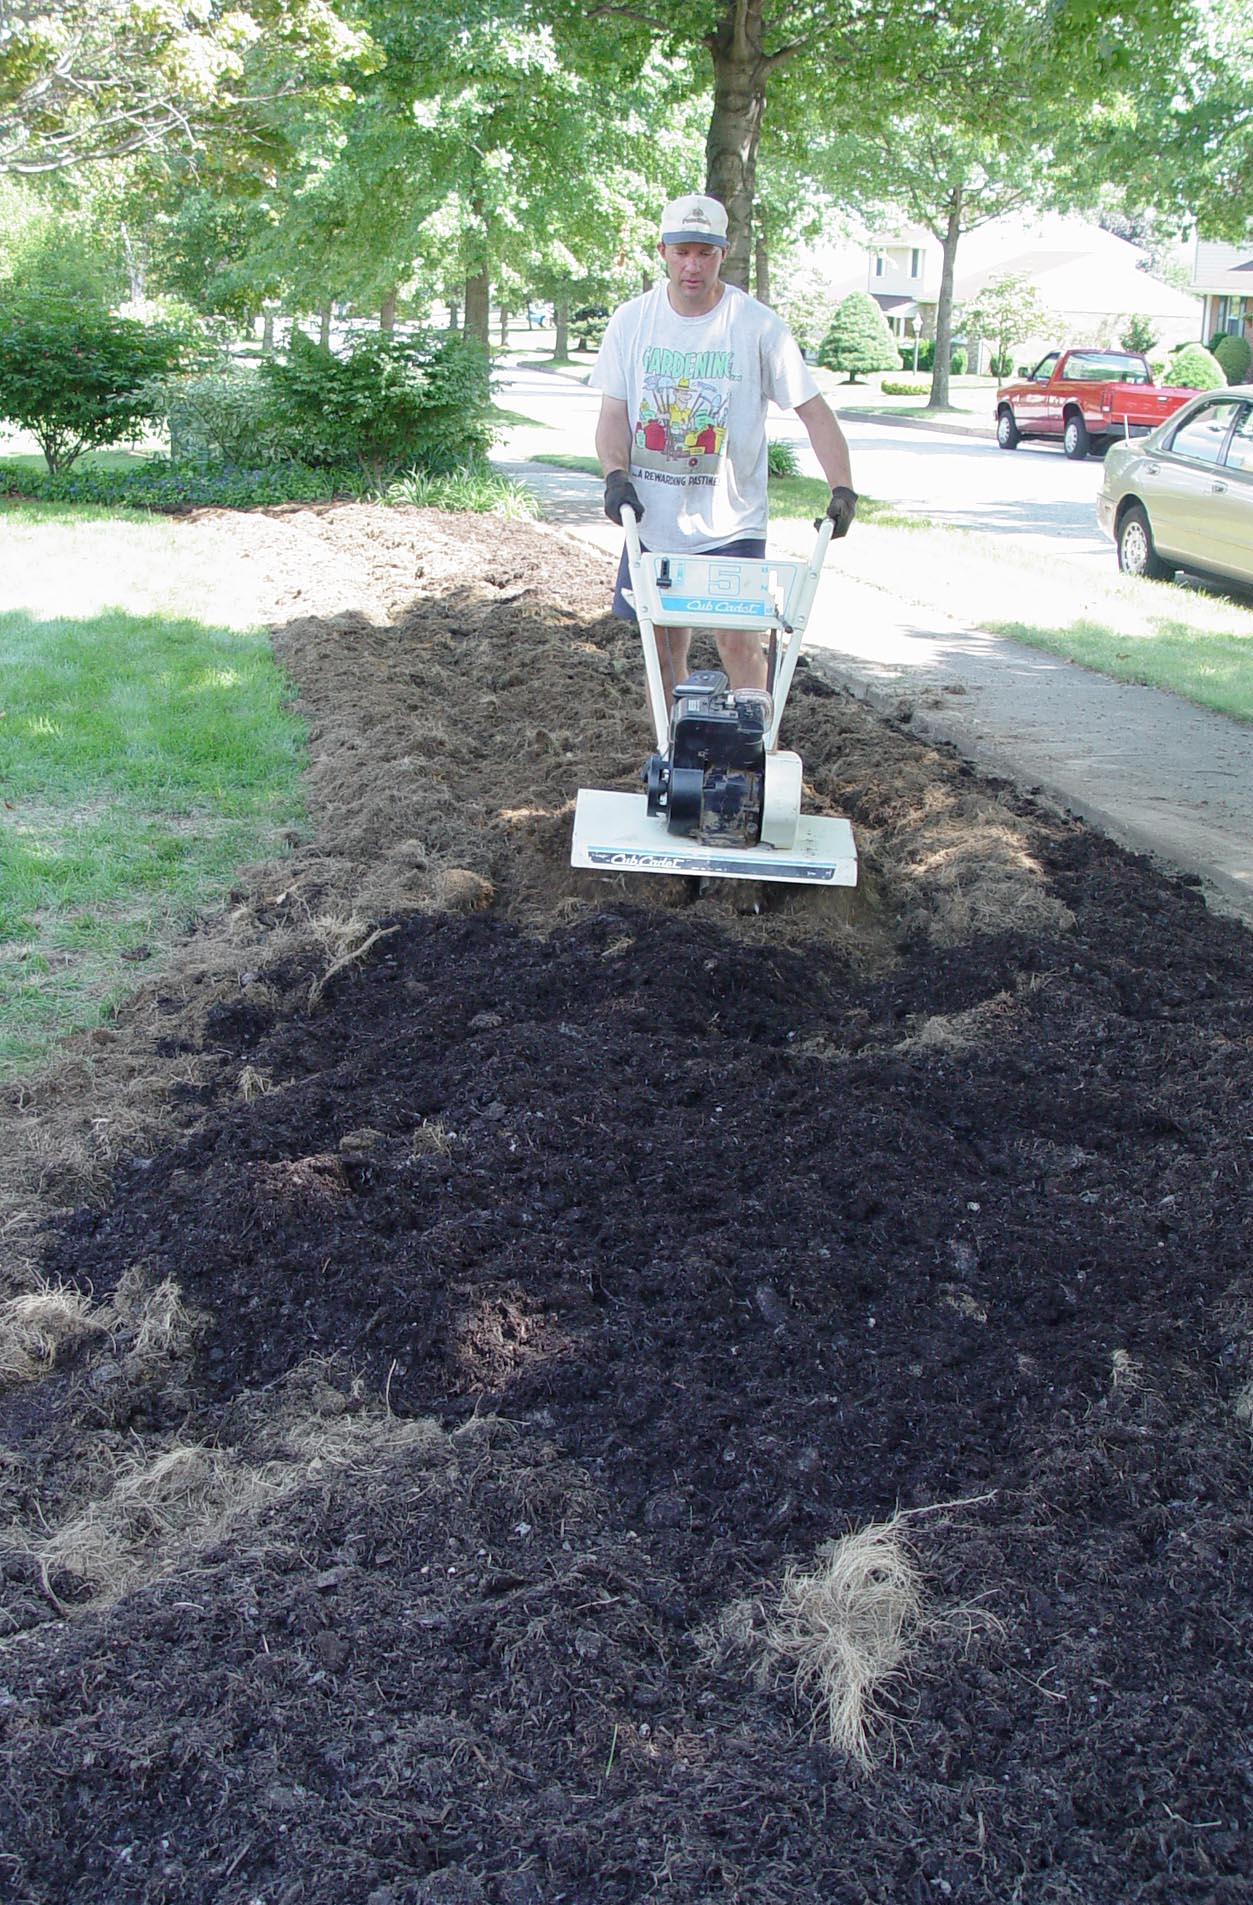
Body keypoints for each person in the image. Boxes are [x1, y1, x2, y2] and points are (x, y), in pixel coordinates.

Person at [590, 192, 857, 713]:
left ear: (724, 253)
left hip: (731, 522)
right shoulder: (631, 322)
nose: (693, 266)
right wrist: (614, 475)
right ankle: (675, 766)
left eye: (706, 253)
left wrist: (842, 487)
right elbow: (613, 415)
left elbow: (814, 411)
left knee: (739, 643)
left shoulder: (756, 326)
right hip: (650, 520)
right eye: (683, 251)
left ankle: (755, 757)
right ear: (663, 251)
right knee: (662, 648)